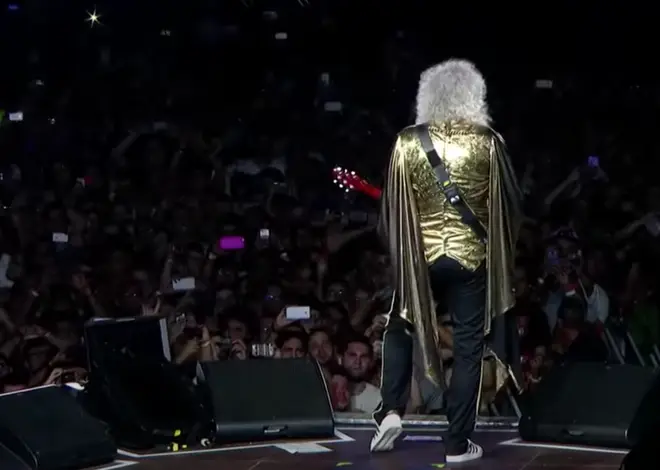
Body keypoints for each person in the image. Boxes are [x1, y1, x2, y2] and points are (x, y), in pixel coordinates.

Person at [370, 59, 523, 463]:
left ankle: (390, 410)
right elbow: (509, 205)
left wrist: (402, 253)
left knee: (400, 324)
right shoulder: (488, 141)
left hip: (420, 256)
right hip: (470, 256)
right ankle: (457, 443)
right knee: (470, 346)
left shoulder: (407, 142)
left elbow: (392, 207)